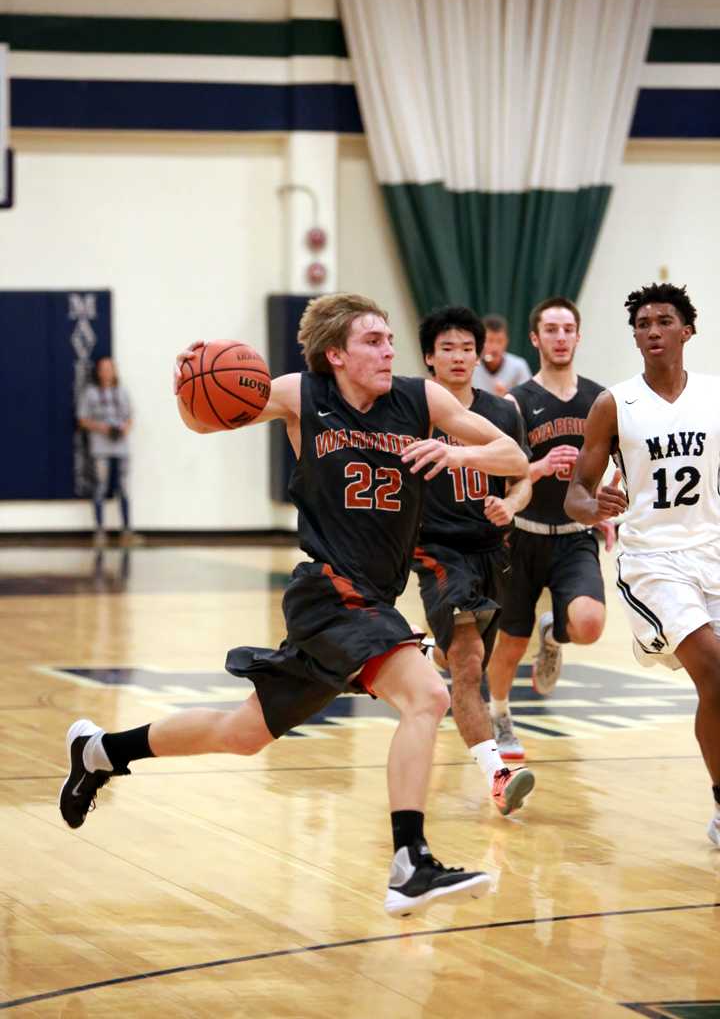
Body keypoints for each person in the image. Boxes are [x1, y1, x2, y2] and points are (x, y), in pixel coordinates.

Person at [59, 292, 529, 918]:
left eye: (390, 339)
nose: (388, 349)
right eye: (372, 341)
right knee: (429, 696)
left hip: (368, 599)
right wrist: (189, 385)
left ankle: (98, 752)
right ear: (335, 353)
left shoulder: (422, 400)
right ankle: (409, 862)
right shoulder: (301, 395)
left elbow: (513, 455)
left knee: (243, 733)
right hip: (331, 591)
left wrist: (458, 452)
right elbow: (205, 419)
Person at [565, 283, 720, 848]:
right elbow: (576, 493)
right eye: (643, 323)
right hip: (652, 560)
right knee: (715, 671)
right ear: (634, 336)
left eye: (663, 321)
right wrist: (594, 505)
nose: (652, 330)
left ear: (687, 330)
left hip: (712, 552)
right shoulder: (615, 403)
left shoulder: (714, 395)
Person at [413, 306, 535, 805]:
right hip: (437, 549)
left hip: (492, 549)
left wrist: (509, 504)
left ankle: (422, 653)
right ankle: (497, 776)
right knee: (467, 664)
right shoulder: (409, 412)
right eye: (449, 348)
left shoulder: (502, 410)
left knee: (465, 655)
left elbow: (522, 477)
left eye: (468, 348)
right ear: (429, 357)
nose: (461, 357)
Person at [485, 297, 612, 760]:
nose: (561, 337)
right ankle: (500, 715)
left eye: (568, 329)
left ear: (579, 336)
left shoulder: (601, 400)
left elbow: (611, 464)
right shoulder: (515, 404)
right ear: (536, 339)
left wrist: (605, 508)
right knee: (510, 642)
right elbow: (499, 472)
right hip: (520, 536)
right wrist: (538, 468)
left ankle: (555, 637)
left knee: (590, 624)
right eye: (551, 330)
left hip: (576, 536)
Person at [77, 356, 137, 546]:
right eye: (103, 368)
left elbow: (130, 416)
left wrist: (124, 429)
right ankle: (100, 530)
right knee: (100, 486)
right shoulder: (91, 393)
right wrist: (102, 428)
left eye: (109, 368)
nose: (106, 372)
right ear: (98, 371)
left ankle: (127, 530)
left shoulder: (122, 392)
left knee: (124, 486)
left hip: (120, 445)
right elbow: (82, 419)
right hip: (100, 445)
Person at [472, 314, 532, 396]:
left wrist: (509, 396)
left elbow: (529, 399)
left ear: (507, 341)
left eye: (500, 341)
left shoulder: (519, 366)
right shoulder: (471, 366)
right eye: (490, 340)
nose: (495, 347)